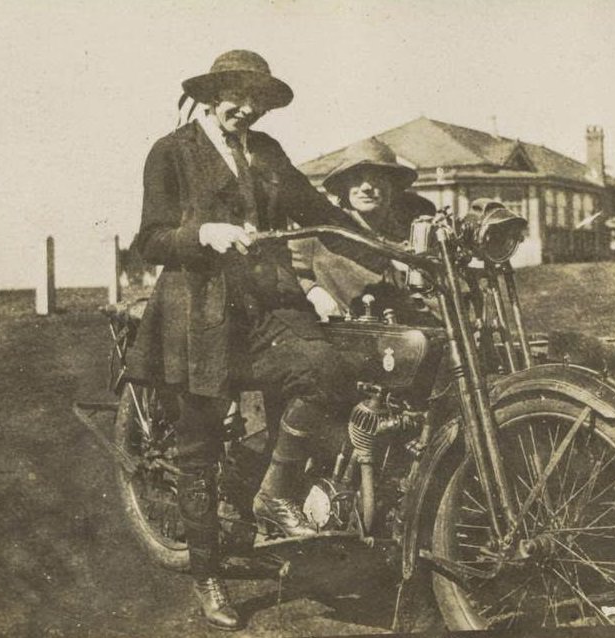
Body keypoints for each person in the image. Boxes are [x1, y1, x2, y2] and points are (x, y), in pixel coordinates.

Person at [125, 50, 389, 631]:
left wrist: (388, 253)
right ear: (213, 93)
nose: (246, 109)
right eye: (236, 96)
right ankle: (208, 574)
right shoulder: (172, 152)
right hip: (198, 312)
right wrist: (204, 232)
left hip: (269, 305)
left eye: (257, 100)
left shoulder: (266, 152)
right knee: (198, 445)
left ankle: (271, 494)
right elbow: (150, 239)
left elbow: (319, 210)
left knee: (326, 371)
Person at [291, 137, 437, 323]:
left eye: (377, 179)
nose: (366, 187)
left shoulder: (410, 238)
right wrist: (312, 290)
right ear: (344, 187)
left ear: (393, 187)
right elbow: (283, 271)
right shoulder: (323, 232)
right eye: (356, 179)